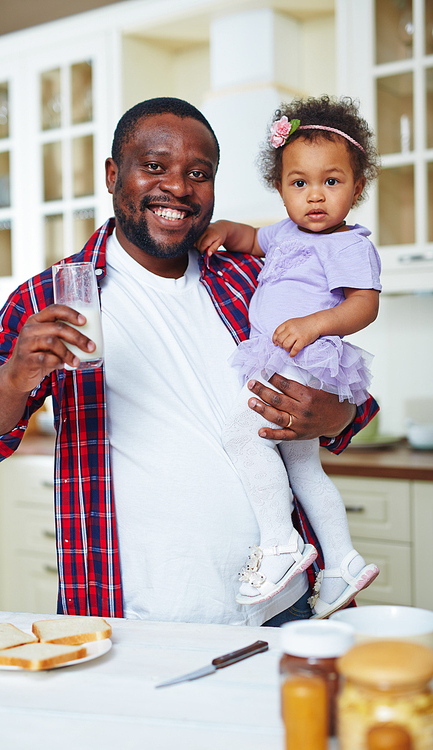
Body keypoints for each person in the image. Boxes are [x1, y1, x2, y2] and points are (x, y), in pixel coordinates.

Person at [0, 97, 378, 627]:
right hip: (133, 612)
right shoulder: (56, 296)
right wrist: (17, 374)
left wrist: (334, 416)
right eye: (154, 167)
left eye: (198, 173)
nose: (177, 187)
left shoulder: (248, 278)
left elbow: (347, 399)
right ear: (113, 175)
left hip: (282, 605)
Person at [196, 96, 381, 618]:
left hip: (306, 356)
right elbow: (251, 239)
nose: (315, 196)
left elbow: (364, 305)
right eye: (299, 183)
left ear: (356, 188)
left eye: (332, 181)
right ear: (280, 189)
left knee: (242, 433)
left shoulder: (348, 244)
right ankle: (341, 561)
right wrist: (226, 231)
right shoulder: (283, 233)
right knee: (303, 467)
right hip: (276, 355)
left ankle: (281, 546)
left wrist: (315, 324)